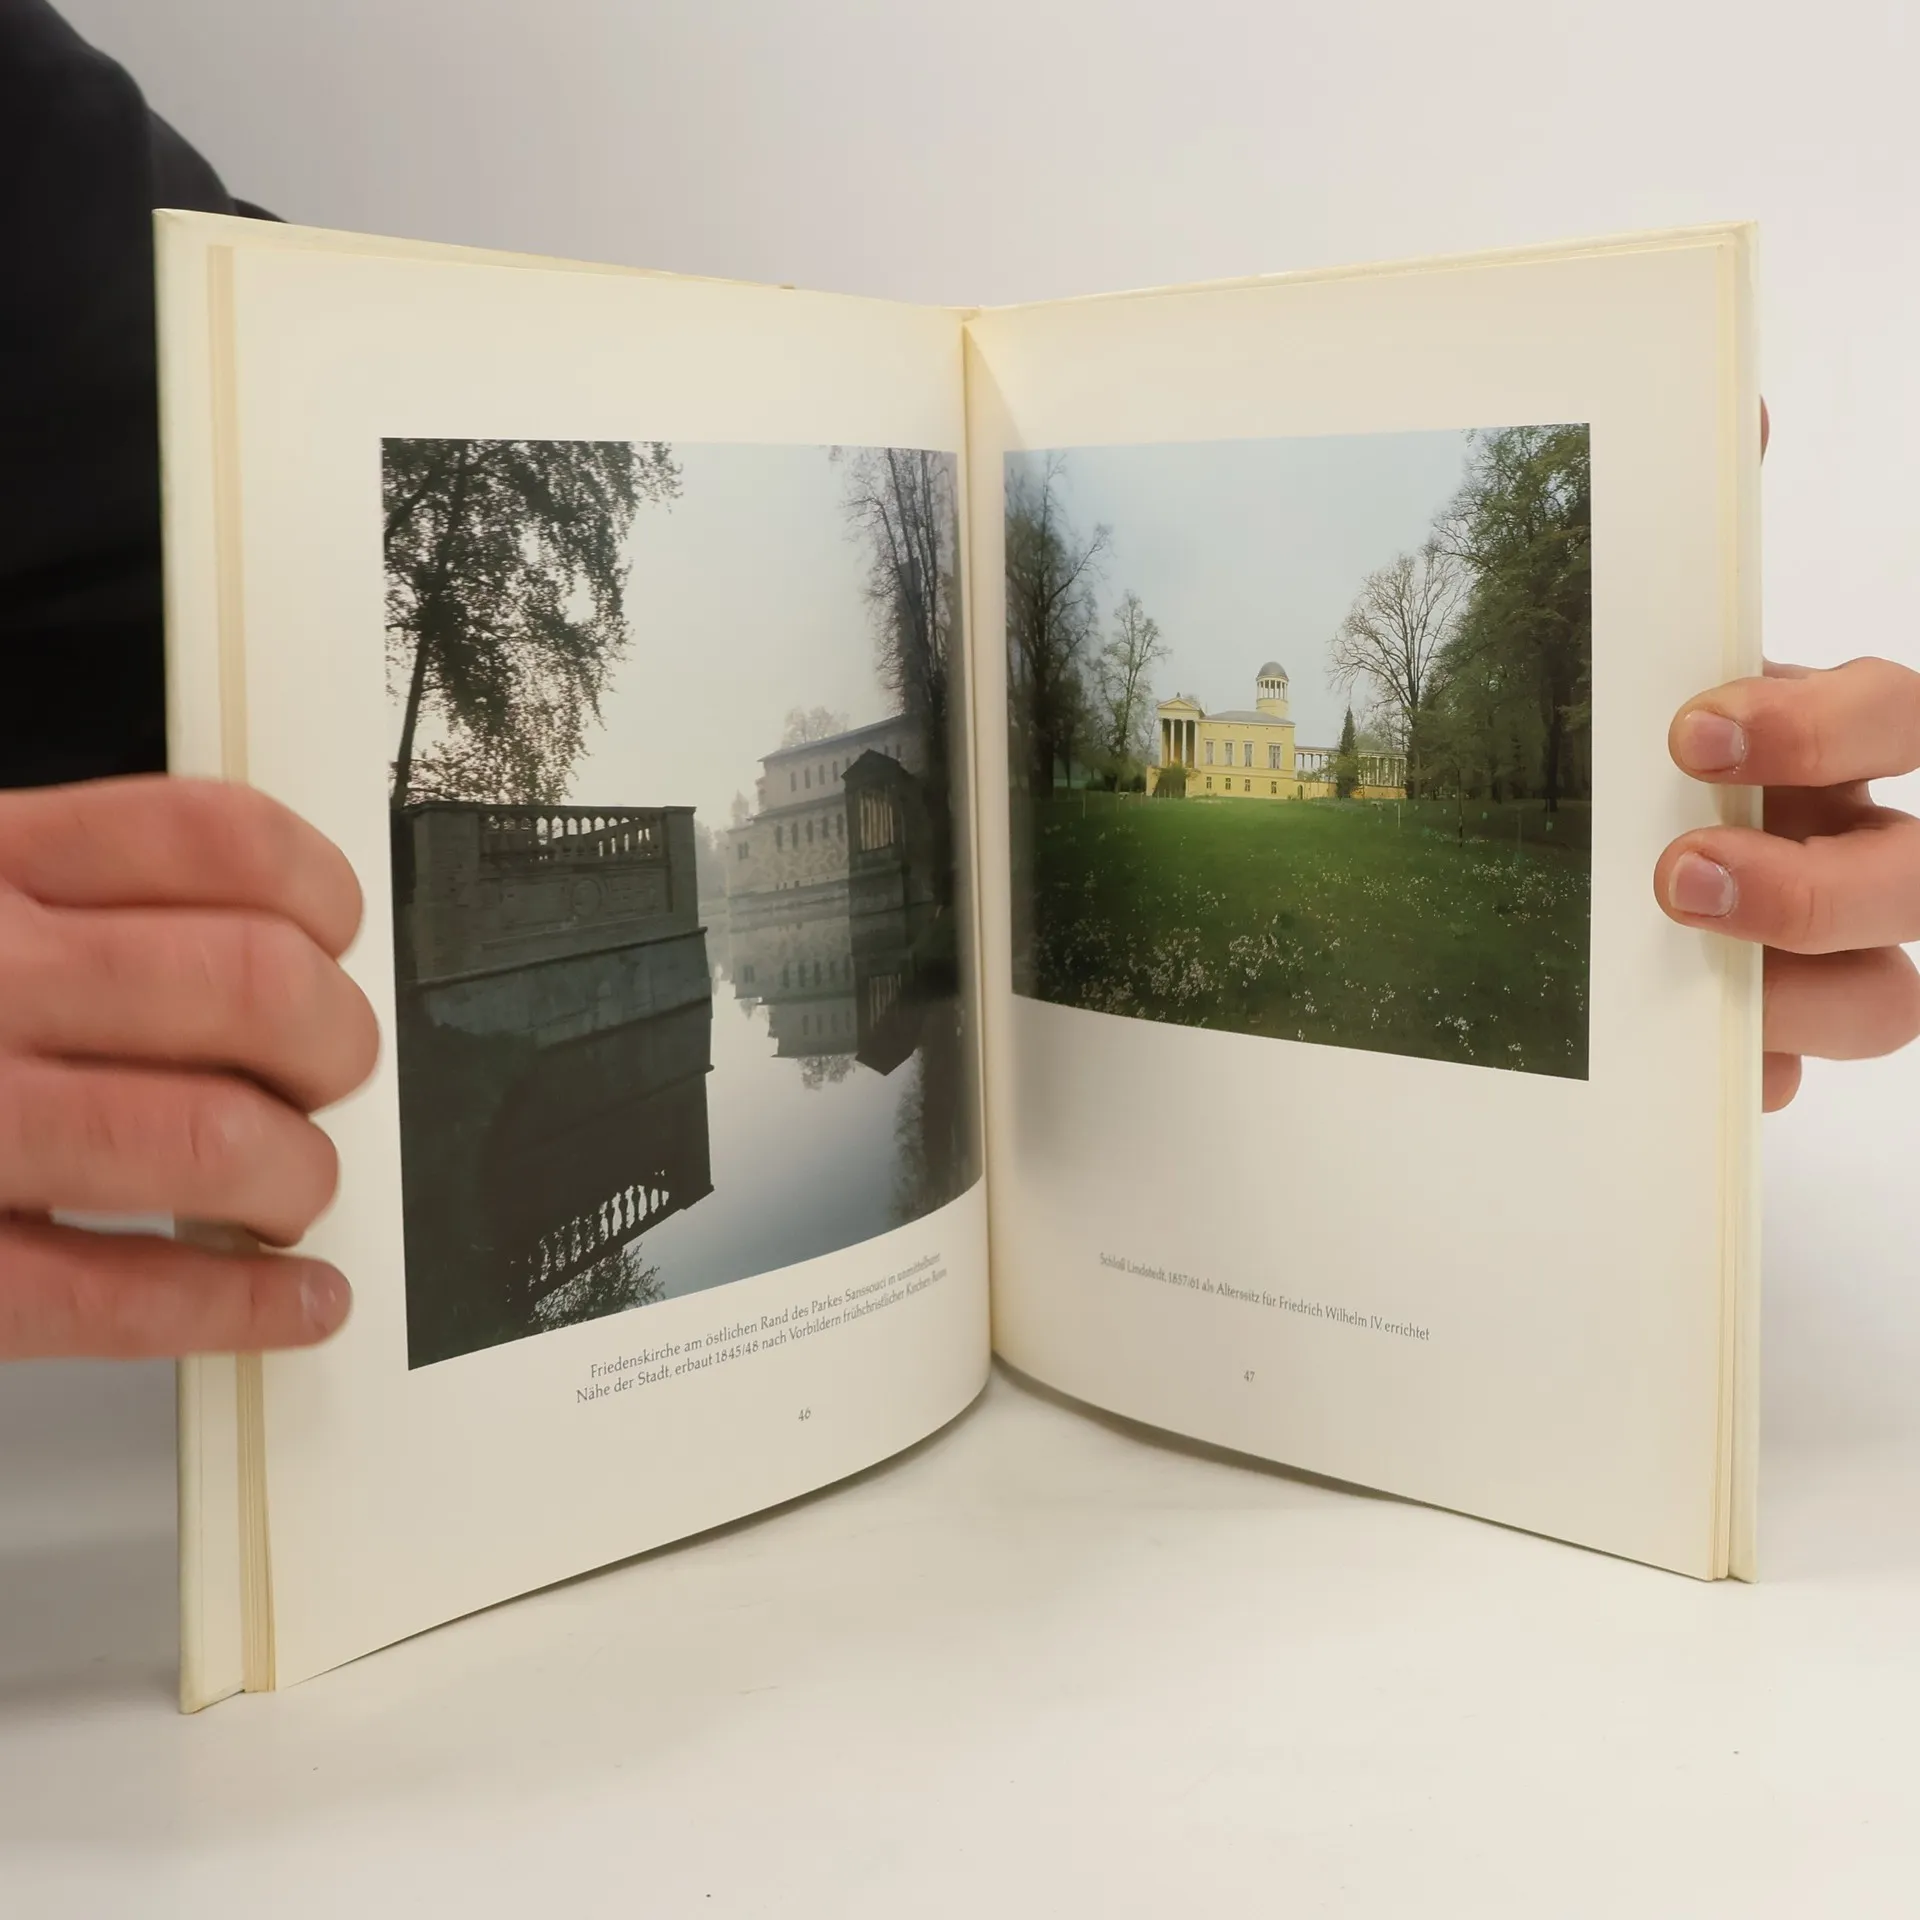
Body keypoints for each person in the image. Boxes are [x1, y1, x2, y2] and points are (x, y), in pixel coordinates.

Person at [2, 4, 1916, 1364]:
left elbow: (204, 513)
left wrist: (1646, 735)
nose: (1239, 740)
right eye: (1238, 730)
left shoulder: (61, 202)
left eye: (1242, 730)